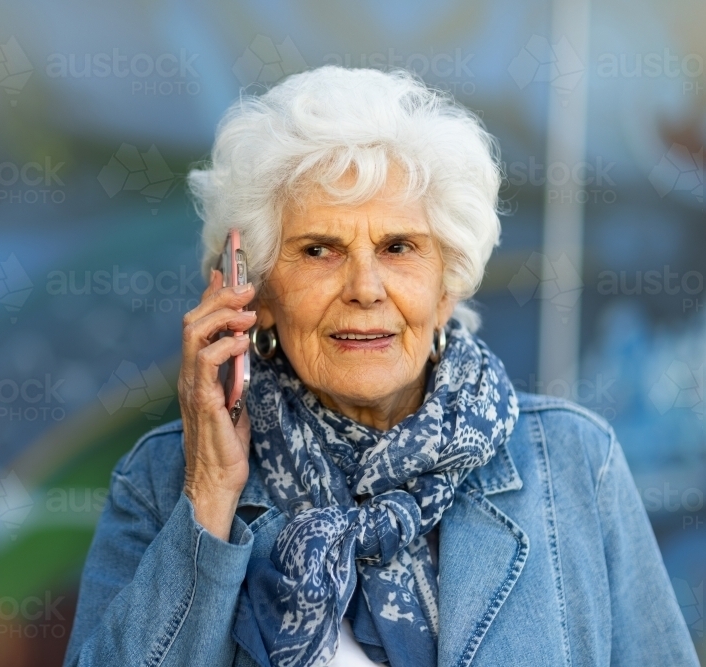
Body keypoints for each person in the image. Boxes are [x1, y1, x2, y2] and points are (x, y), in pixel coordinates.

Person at [63, 66, 698, 667]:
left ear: (447, 283)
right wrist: (208, 499)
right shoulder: (163, 477)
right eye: (319, 250)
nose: (365, 287)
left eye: (399, 247)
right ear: (252, 292)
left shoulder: (575, 462)